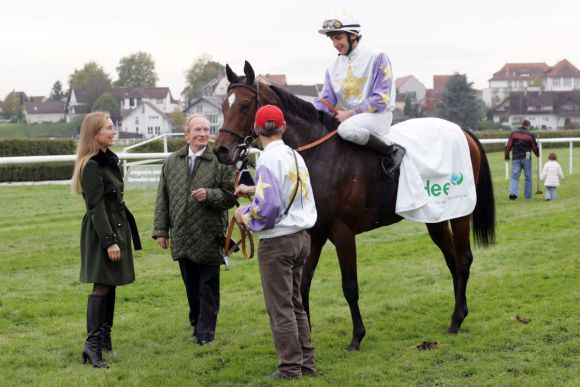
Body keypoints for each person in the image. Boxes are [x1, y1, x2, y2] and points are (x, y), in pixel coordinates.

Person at [234, 105, 318, 380]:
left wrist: (244, 215)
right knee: (295, 305)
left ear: (257, 130)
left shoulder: (267, 160)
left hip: (278, 242)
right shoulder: (294, 155)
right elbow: (287, 190)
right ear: (283, 127)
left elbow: (267, 210)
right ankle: (307, 363)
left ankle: (289, 368)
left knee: (280, 308)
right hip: (301, 237)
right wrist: (252, 190)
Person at [152, 114, 235, 345]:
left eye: (206, 130)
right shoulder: (171, 162)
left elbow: (231, 196)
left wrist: (210, 195)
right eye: (197, 130)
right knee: (191, 286)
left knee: (208, 285)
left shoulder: (221, 161)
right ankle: (197, 323)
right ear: (187, 134)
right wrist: (161, 230)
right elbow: (163, 198)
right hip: (182, 234)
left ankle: (206, 333)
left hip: (209, 234)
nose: (203, 134)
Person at [71, 111, 141, 368]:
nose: (114, 132)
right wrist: (109, 241)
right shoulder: (91, 165)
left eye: (113, 127)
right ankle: (92, 346)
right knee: (102, 285)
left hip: (116, 226)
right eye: (108, 128)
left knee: (111, 283)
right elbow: (95, 207)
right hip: (103, 230)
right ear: (95, 134)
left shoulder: (109, 159)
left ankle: (104, 339)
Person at [313, 10, 405, 174]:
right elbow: (325, 101)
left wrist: (350, 114)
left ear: (353, 35)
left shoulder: (377, 57)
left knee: (345, 129)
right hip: (351, 120)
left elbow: (381, 99)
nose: (335, 43)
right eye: (333, 39)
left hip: (379, 116)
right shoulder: (332, 68)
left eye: (339, 38)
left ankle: (392, 151)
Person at [505, 119, 539, 200]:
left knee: (514, 176)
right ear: (528, 126)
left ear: (522, 124)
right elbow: (534, 147)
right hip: (527, 158)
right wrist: (537, 154)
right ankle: (527, 197)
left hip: (516, 157)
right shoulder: (530, 134)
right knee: (528, 177)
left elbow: (508, 145)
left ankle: (513, 193)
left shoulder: (513, 133)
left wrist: (506, 155)